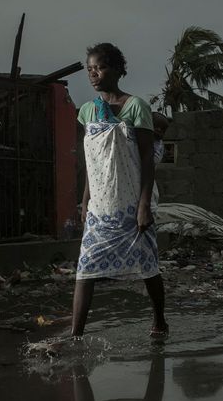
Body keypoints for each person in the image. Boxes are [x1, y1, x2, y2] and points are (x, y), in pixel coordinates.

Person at [70, 43, 168, 339]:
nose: (93, 74)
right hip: (101, 206)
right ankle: (76, 334)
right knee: (85, 269)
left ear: (116, 69)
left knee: (148, 267)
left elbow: (147, 160)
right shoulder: (88, 111)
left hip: (130, 204)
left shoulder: (136, 106)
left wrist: (144, 205)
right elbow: (92, 162)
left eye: (99, 67)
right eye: (89, 69)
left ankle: (159, 320)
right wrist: (85, 200)